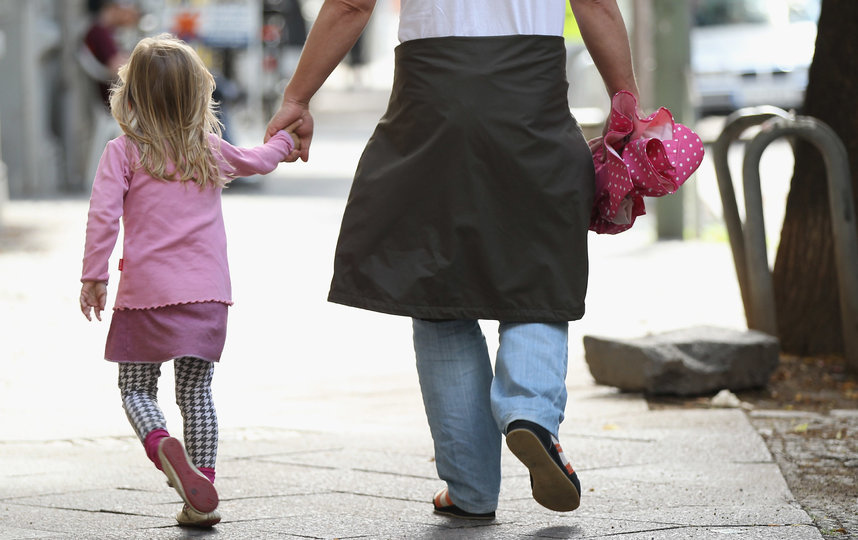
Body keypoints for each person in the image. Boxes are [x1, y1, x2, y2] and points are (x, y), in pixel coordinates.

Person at [266, 0, 639, 519]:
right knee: (539, 269)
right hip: (532, 98)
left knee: (437, 286)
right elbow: (595, 5)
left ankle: (471, 488)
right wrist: (629, 105)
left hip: (431, 100)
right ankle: (529, 410)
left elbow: (352, 4)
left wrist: (297, 97)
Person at [79, 34, 300, 528]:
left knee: (136, 390)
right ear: (200, 96)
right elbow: (262, 160)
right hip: (208, 296)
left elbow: (102, 217)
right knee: (196, 393)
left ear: (130, 97)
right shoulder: (208, 148)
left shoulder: (124, 152)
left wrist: (93, 276)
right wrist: (287, 138)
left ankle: (160, 443)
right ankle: (202, 485)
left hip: (146, 296)